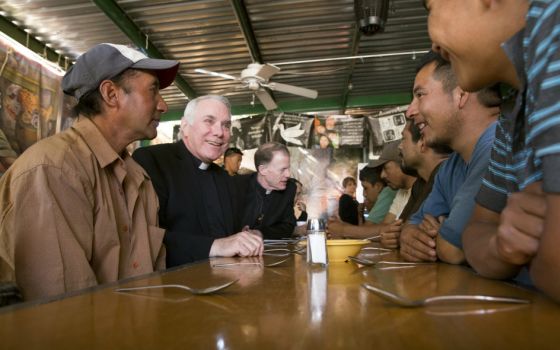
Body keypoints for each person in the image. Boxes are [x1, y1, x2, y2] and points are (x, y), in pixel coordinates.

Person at [0, 43, 179, 300]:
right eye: (153, 91)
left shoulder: (140, 179)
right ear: (111, 94)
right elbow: (63, 313)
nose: (162, 105)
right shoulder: (55, 169)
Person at [425, 0, 560, 299]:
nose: (433, 44)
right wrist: (505, 246)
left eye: (430, 6)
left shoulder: (552, 20)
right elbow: (475, 233)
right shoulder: (514, 105)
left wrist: (536, 257)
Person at [133, 95, 263, 267]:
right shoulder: (153, 160)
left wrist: (250, 236)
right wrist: (215, 246)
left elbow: (234, 232)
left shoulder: (225, 179)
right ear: (185, 126)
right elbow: (144, 235)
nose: (219, 132)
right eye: (209, 121)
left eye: (226, 125)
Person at [400, 51, 501, 264]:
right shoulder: (450, 167)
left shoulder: (500, 146)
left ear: (461, 95)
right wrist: (409, 235)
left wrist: (443, 237)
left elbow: (453, 250)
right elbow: (413, 224)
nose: (410, 111)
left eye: (420, 95)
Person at [236, 142, 297, 239]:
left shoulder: (290, 188)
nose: (288, 174)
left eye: (288, 168)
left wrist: (260, 233)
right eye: (282, 169)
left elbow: (288, 226)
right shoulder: (236, 186)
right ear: (263, 170)